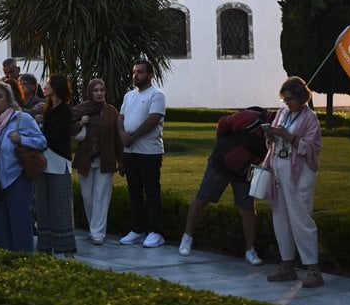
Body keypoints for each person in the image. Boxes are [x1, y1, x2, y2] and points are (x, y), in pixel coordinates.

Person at [178, 106, 271, 265]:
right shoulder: (250, 118)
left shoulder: (275, 135)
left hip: (245, 169)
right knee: (203, 197)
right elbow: (222, 125)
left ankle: (250, 250)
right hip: (221, 163)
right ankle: (187, 237)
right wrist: (226, 149)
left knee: (247, 207)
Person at [264, 76, 324, 287]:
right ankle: (287, 265)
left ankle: (313, 269)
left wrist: (289, 137)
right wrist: (271, 134)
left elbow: (313, 147)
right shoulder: (282, 113)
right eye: (284, 99)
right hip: (279, 169)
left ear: (300, 98)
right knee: (280, 216)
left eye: (289, 98)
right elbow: (271, 141)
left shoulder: (310, 119)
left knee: (300, 217)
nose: (286, 102)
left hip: (299, 172)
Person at [0, 81, 47, 252]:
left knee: (20, 224)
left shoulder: (22, 119)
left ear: (9, 99)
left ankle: (23, 263)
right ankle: (6, 263)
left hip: (17, 179)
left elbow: (42, 142)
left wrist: (21, 140)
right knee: (1, 227)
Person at [118, 60, 166, 248]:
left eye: (140, 72)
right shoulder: (129, 95)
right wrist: (123, 135)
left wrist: (134, 136)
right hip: (130, 152)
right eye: (134, 72)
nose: (135, 75)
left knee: (152, 191)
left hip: (149, 152)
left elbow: (153, 119)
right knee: (134, 192)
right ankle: (137, 229)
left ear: (150, 75)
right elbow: (120, 118)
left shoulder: (157, 95)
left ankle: (156, 231)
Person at [72, 77, 122, 245]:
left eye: (102, 90)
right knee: (88, 196)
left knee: (101, 195)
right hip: (86, 159)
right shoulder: (81, 109)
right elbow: (67, 128)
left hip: (105, 159)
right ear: (90, 92)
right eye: (96, 90)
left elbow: (116, 137)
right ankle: (94, 227)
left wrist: (121, 160)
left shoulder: (111, 111)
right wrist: (80, 123)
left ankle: (98, 233)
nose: (99, 93)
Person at [35, 74, 77, 256]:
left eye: (48, 85)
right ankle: (45, 246)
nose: (45, 87)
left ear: (57, 87)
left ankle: (66, 247)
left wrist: (39, 134)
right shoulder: (49, 109)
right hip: (44, 162)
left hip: (58, 161)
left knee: (60, 206)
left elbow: (59, 137)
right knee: (43, 205)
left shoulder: (65, 111)